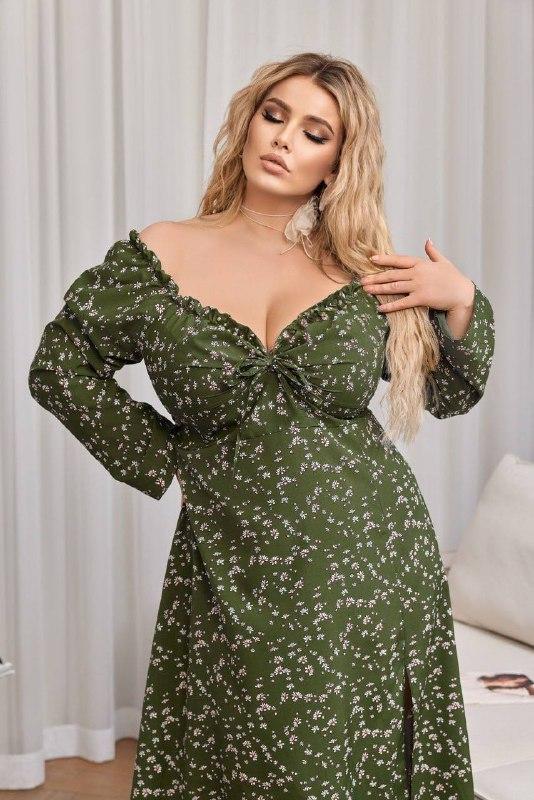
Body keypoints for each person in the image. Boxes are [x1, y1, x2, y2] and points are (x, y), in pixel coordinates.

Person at [28, 52, 495, 799]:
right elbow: (60, 365)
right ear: (247, 124)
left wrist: (461, 300)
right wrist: (172, 458)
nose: (284, 139)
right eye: (274, 116)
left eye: (315, 132)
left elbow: (450, 394)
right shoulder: (161, 255)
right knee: (258, 760)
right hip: (232, 557)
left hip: (368, 558)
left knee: (342, 766)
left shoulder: (363, 272)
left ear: (338, 162)